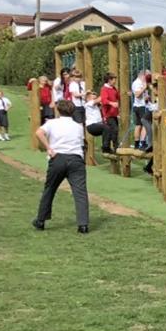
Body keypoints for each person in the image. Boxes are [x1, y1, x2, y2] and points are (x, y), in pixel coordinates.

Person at [33, 100, 90, 234]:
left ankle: (41, 220)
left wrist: (48, 148)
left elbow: (38, 133)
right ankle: (83, 225)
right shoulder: (78, 126)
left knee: (50, 189)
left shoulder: (52, 123)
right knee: (80, 192)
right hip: (76, 159)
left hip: (58, 158)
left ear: (58, 110)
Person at [98, 73, 121, 154]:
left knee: (115, 131)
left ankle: (113, 146)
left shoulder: (114, 88)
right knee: (114, 129)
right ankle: (113, 147)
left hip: (114, 114)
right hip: (108, 115)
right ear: (109, 80)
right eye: (114, 79)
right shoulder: (104, 89)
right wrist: (112, 103)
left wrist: (126, 94)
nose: (115, 81)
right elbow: (104, 100)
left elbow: (118, 96)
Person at [130, 69, 153, 151]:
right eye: (147, 76)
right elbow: (137, 94)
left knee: (139, 125)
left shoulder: (140, 83)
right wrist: (145, 87)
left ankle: (137, 143)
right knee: (144, 124)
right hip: (141, 106)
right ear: (143, 75)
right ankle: (142, 142)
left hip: (139, 105)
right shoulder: (137, 83)